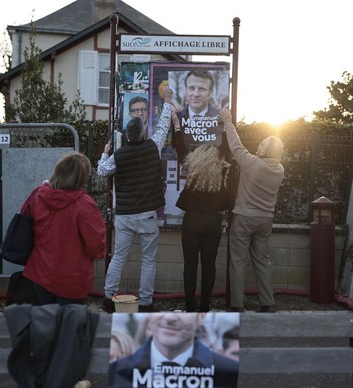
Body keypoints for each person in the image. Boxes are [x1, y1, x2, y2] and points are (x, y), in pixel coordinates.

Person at [97, 86, 178, 313]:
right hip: (147, 215)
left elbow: (102, 171)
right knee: (148, 260)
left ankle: (107, 298)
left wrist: (105, 152)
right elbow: (163, 125)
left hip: (124, 216)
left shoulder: (118, 155)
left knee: (119, 257)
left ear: (127, 135)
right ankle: (145, 303)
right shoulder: (153, 147)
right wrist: (168, 100)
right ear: (143, 134)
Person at [219, 108, 285, 313]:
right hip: (265, 220)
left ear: (265, 151)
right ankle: (268, 303)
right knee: (262, 261)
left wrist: (228, 123)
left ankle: (238, 305)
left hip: (244, 218)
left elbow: (236, 148)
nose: (259, 145)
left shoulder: (253, 164)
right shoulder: (279, 170)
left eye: (262, 144)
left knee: (238, 261)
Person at [22, 152, 106, 306]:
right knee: (68, 326)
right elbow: (96, 246)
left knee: (45, 324)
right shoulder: (85, 204)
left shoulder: (38, 195)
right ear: (82, 178)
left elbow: (23, 225)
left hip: (40, 272)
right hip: (72, 278)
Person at [172, 128, 230, 312]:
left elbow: (180, 146)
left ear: (197, 157)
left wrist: (177, 125)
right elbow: (227, 147)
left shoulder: (191, 165)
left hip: (192, 221)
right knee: (209, 266)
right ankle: (205, 306)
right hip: (213, 222)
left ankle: (190, 306)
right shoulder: (220, 166)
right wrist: (227, 125)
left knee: (190, 266)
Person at [108, 312, 239, 387]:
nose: (169, 318)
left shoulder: (232, 374)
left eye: (182, 313)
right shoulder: (113, 373)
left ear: (201, 317)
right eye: (159, 311)